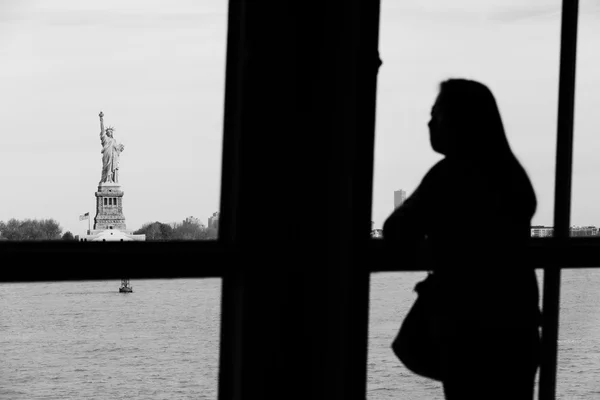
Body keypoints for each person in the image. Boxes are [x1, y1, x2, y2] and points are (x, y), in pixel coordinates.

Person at [383, 79, 540, 400]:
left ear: (460, 122)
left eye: (437, 114)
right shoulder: (511, 175)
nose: (429, 123)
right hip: (516, 327)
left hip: (466, 331)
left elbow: (397, 229)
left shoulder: (449, 175)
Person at [99, 111, 125, 184]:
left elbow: (117, 150)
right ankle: (105, 179)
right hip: (107, 155)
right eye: (108, 131)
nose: (110, 132)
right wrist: (101, 119)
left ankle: (110, 179)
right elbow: (102, 130)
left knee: (112, 168)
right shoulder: (105, 139)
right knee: (106, 167)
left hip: (113, 157)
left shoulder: (114, 140)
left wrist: (120, 148)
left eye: (111, 131)